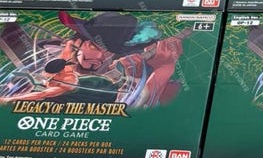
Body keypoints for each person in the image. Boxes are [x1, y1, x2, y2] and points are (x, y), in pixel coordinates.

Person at [0, 11, 189, 108]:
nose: (102, 59)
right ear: (78, 41)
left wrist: (162, 68)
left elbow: (140, 100)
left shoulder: (102, 86)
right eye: (96, 48)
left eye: (111, 56)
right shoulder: (44, 49)